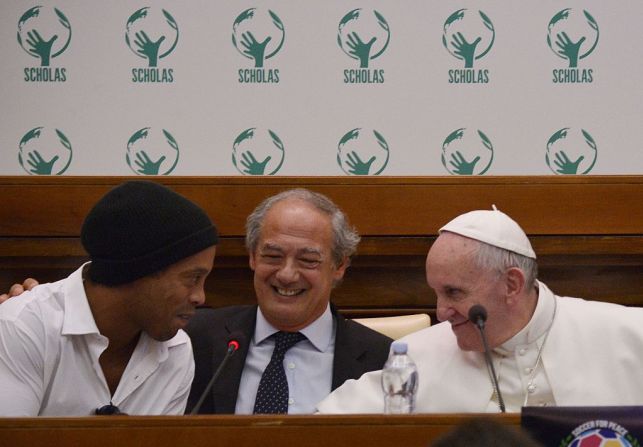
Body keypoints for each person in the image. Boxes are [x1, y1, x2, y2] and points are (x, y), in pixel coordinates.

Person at [317, 207, 643, 413]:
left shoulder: (630, 335)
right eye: (436, 293)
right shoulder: (420, 354)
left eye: (454, 293)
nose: (441, 312)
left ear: (512, 285)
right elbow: (324, 427)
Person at [0, 181, 219, 416]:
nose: (200, 297)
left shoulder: (177, 351)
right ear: (140, 269)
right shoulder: (22, 327)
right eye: (193, 278)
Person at [185, 188, 392, 414]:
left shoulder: (382, 360)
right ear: (253, 256)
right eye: (273, 256)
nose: (286, 274)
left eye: (308, 260)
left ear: (339, 266)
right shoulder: (194, 341)